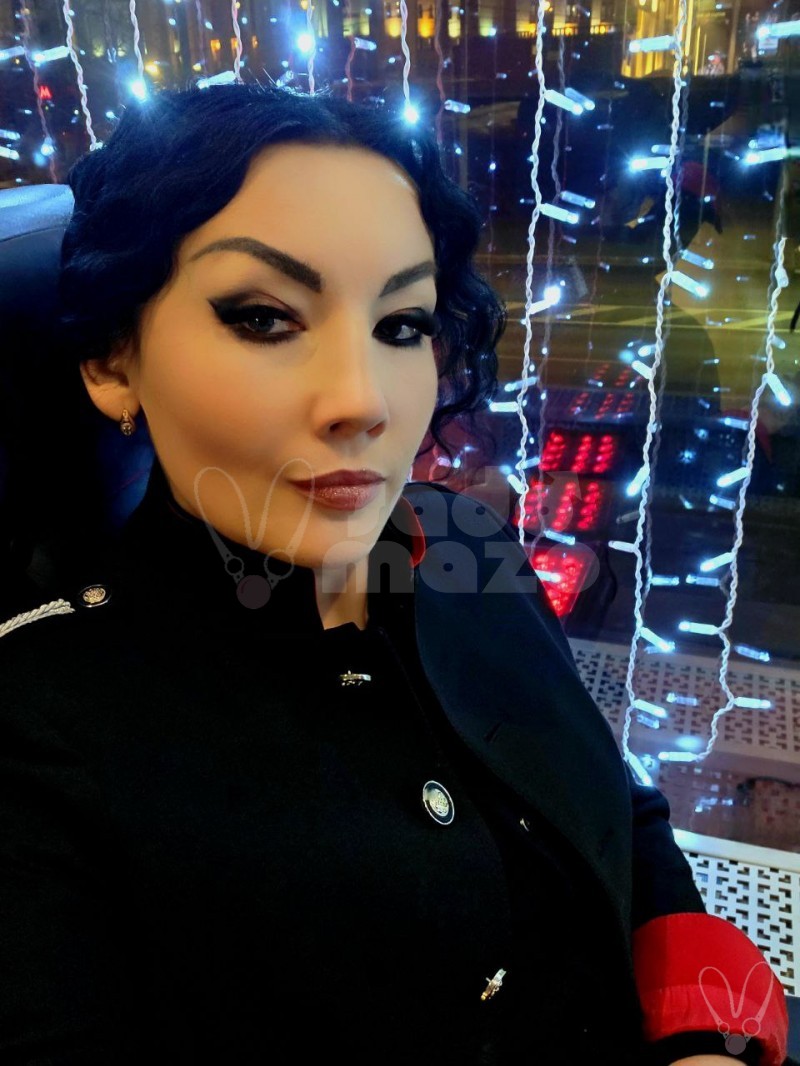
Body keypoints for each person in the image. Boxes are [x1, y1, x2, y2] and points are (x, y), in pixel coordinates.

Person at [0, 82, 791, 1066]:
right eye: (264, 318)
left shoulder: (465, 542)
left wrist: (706, 1036)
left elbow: (615, 814)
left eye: (402, 324)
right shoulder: (38, 728)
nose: (363, 400)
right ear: (113, 360)